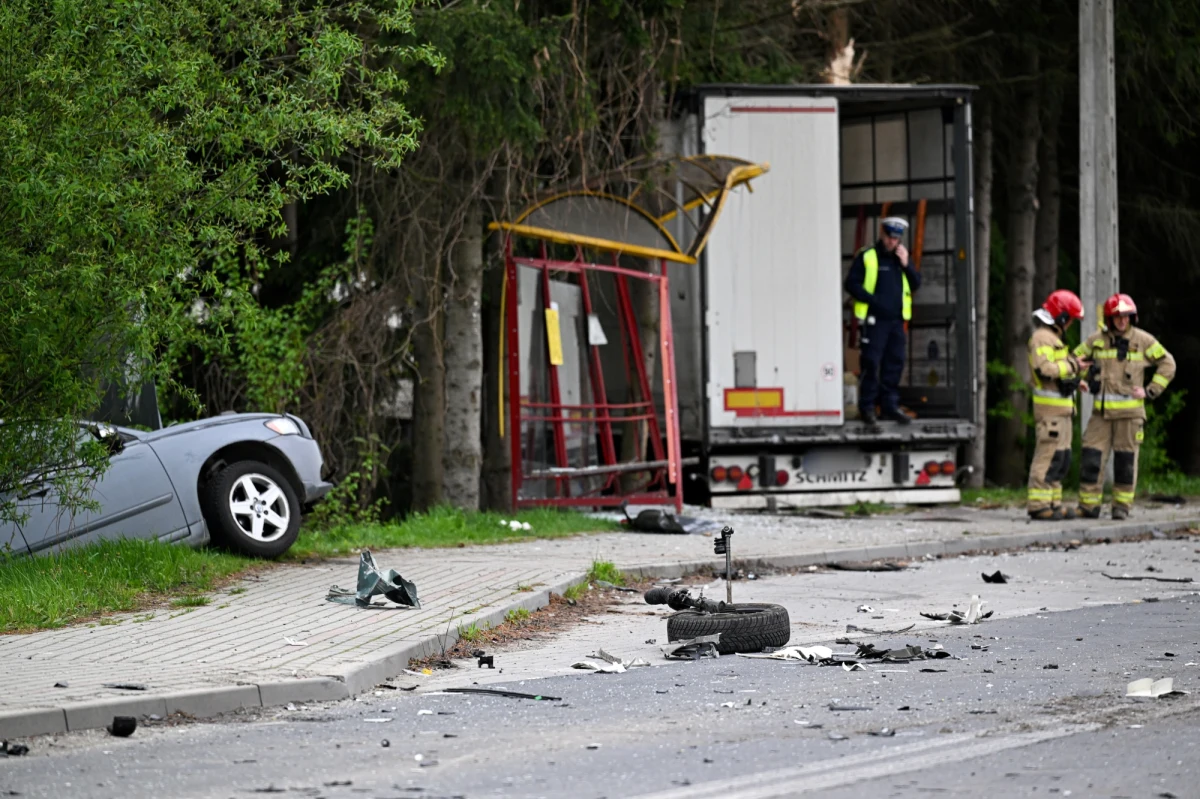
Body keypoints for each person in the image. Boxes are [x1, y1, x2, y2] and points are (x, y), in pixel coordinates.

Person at [1074, 293, 1176, 520]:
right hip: (1101, 415)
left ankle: (1121, 507)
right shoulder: (1096, 340)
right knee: (1091, 458)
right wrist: (1082, 377)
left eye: (1126, 317)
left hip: (1130, 416)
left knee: (1125, 462)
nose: (1122, 321)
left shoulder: (1143, 341)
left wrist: (1150, 390)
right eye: (1118, 317)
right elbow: (1075, 360)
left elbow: (1168, 364)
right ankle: (1088, 506)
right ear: (1109, 319)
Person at [844, 216, 921, 425]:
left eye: (896, 239)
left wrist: (907, 264)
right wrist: (873, 301)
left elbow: (916, 283)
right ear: (882, 233)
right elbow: (851, 284)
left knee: (894, 363)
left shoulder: (901, 258)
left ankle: (890, 406)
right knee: (871, 362)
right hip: (875, 320)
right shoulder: (868, 256)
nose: (892, 242)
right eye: (889, 237)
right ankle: (867, 407)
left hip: (896, 321)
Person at [1026, 290, 1087, 520]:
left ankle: (1053, 502)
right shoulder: (1042, 338)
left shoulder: (1053, 339)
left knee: (1060, 459)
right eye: (1070, 319)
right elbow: (1046, 369)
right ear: (1061, 317)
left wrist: (1075, 380)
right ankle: (1038, 505)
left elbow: (1058, 372)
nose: (1071, 324)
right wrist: (1073, 365)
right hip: (1049, 412)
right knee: (1047, 456)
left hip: (1062, 411)